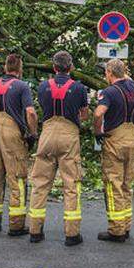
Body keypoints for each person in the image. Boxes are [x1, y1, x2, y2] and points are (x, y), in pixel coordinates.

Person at [27, 51, 89, 246]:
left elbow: (39, 109)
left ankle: (35, 231)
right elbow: (85, 115)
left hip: (46, 135)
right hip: (69, 136)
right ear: (70, 67)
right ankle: (72, 234)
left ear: (54, 67)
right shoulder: (79, 88)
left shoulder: (43, 86)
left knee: (40, 183)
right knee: (71, 184)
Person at [0, 53, 38, 236]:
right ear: (20, 68)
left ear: (5, 67)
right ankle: (16, 225)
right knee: (17, 178)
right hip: (13, 134)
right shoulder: (21, 86)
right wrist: (32, 134)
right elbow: (31, 112)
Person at [93, 58, 134, 242]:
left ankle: (116, 230)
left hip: (115, 141)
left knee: (113, 185)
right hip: (132, 140)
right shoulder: (133, 88)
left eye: (106, 72)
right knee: (127, 185)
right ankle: (126, 226)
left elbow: (98, 114)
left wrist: (98, 131)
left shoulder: (110, 92)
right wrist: (115, 67)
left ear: (110, 74)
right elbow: (124, 76)